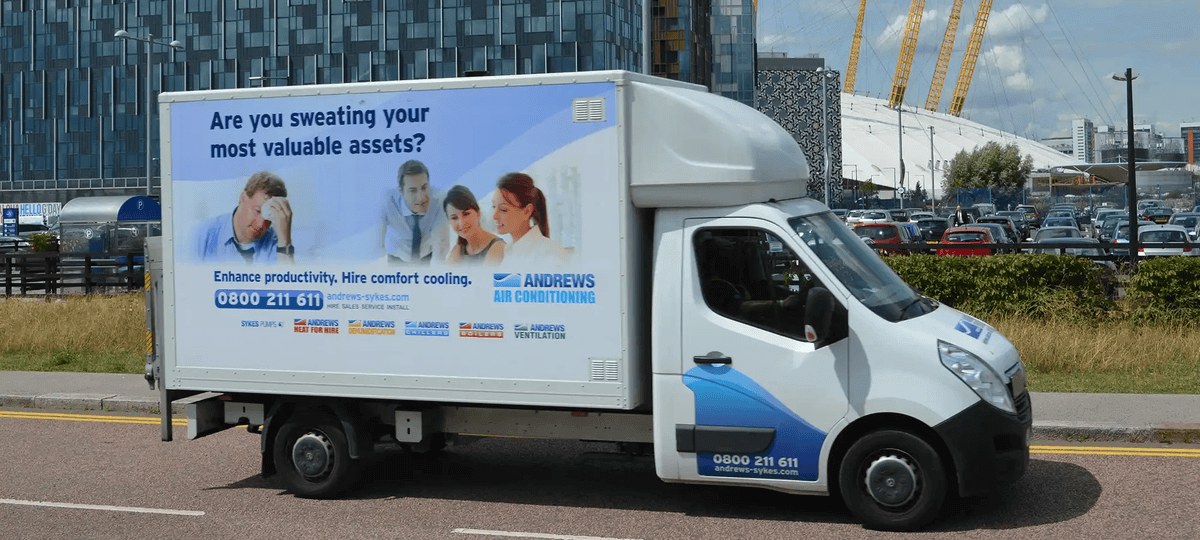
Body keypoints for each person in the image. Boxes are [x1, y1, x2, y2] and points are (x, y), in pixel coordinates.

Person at [195, 171, 294, 264]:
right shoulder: (204, 234)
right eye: (258, 211)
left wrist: (285, 242)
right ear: (243, 198)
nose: (261, 224)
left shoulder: (275, 242)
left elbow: (288, 280)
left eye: (269, 217)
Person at [491, 172, 570, 266]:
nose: (494, 216)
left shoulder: (552, 254)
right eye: (493, 207)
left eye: (503, 209)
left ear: (527, 211)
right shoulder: (507, 253)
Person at [382, 159, 448, 264]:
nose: (421, 197)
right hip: (397, 256)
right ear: (401, 191)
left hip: (426, 255)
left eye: (424, 187)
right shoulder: (387, 201)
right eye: (412, 190)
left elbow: (441, 243)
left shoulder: (439, 200)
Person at [444, 185, 505, 265]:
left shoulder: (497, 247)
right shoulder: (458, 250)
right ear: (449, 222)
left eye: (466, 214)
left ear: (478, 213)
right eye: (454, 218)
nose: (461, 223)